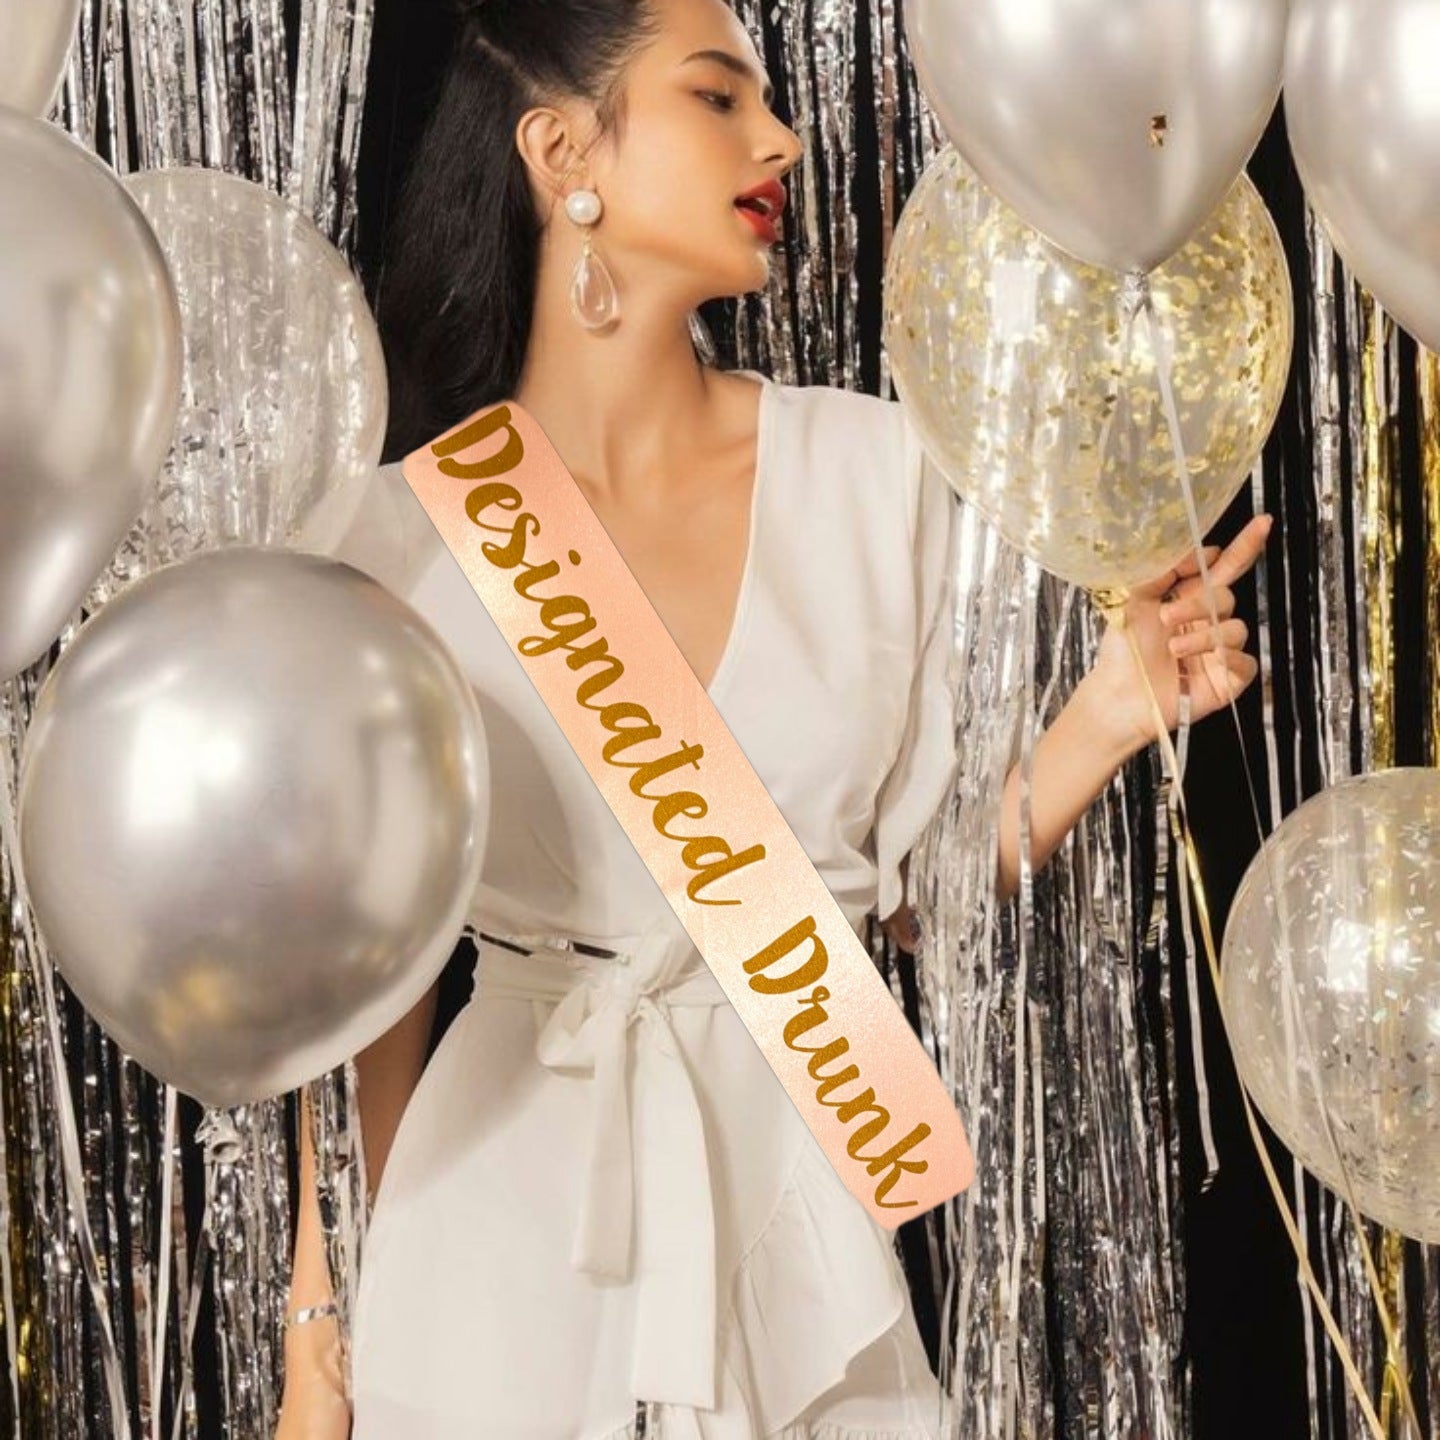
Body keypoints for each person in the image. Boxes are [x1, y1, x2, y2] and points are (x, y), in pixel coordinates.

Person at [275, 0, 1271, 1435]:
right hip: (492, 1231)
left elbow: (918, 901)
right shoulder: (395, 538)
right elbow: (372, 984)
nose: (782, 137)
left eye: (768, 99)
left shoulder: (873, 475)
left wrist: (1114, 712)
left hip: (796, 1218)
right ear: (562, 152)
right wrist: (323, 1335)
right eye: (717, 97)